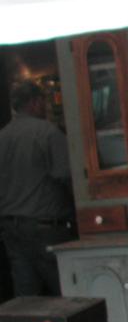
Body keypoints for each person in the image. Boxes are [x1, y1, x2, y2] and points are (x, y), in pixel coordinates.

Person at [0, 80, 75, 296]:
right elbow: (66, 176)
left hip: (12, 228)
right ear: (34, 102)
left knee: (27, 294)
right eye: (43, 101)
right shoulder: (48, 133)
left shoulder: (2, 137)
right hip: (47, 226)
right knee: (66, 290)